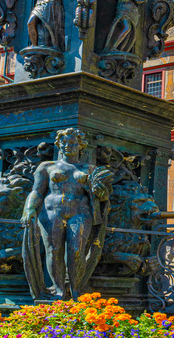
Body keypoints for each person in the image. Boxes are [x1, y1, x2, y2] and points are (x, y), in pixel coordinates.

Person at [21, 127, 113, 300]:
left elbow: (103, 196)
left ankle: (76, 289)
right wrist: (29, 208)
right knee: (53, 251)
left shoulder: (89, 169)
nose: (67, 146)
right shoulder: (47, 166)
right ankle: (58, 290)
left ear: (80, 146)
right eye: (63, 142)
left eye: (72, 143)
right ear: (58, 144)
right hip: (51, 212)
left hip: (80, 213)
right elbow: (37, 192)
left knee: (76, 250)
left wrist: (101, 192)